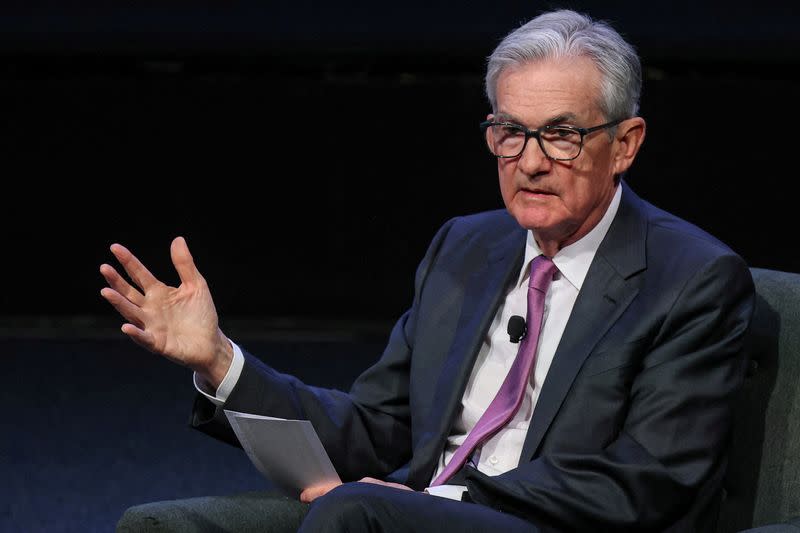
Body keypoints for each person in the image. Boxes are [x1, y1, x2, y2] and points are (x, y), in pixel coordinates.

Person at [103, 9, 755, 532]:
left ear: (626, 143)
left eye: (560, 135)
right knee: (165, 523)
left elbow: (646, 479)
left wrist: (445, 501)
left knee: (355, 511)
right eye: (510, 132)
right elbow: (378, 431)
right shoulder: (465, 248)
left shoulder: (691, 279)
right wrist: (220, 359)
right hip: (403, 511)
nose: (528, 163)